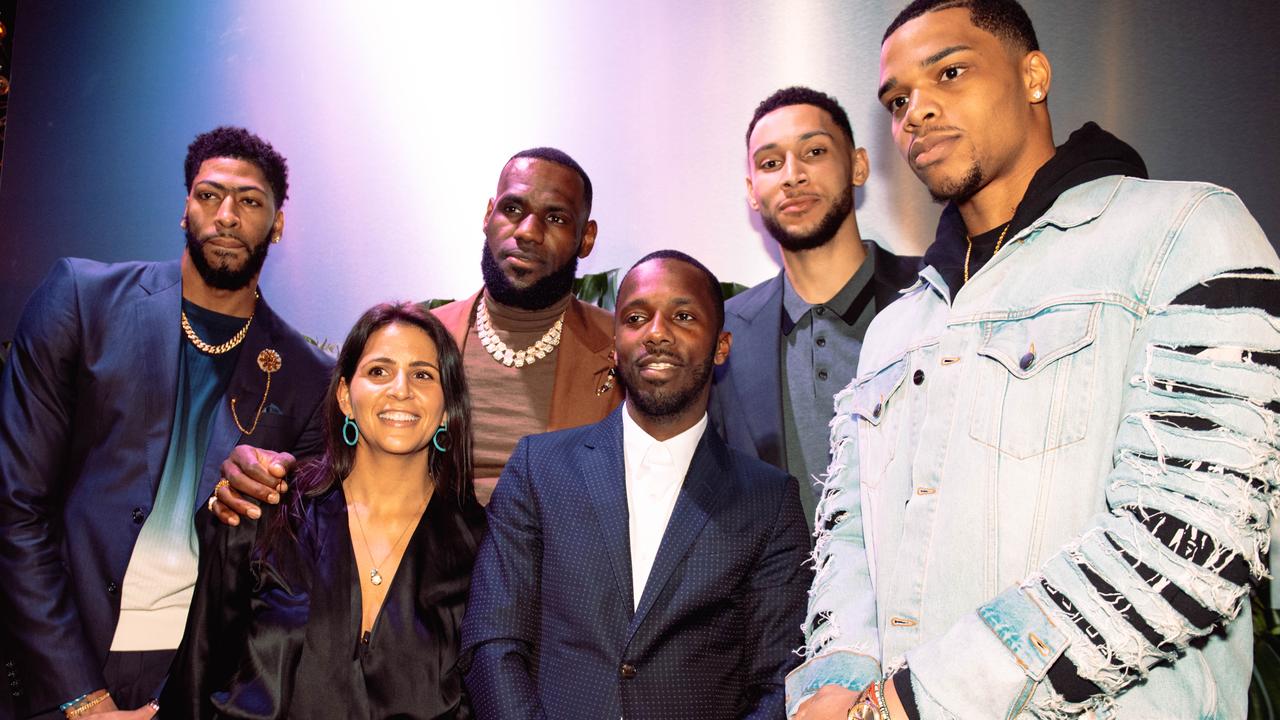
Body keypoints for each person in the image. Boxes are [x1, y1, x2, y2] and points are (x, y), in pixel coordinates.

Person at [788, 1, 1280, 718]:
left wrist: (918, 701)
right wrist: (837, 678)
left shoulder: (1185, 230)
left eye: (949, 73)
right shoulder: (897, 328)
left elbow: (1190, 537)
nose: (915, 114)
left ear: (1034, 75)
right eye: (897, 102)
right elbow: (852, 540)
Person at [0, 127, 332, 718]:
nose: (226, 215)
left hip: (196, 674)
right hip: (58, 652)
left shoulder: (308, 378)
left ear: (278, 224)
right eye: (209, 195)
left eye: (251, 201)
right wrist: (80, 696)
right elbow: (17, 504)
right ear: (185, 209)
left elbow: (283, 567)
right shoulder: (83, 301)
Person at [461, 250, 812, 720]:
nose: (657, 332)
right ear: (615, 345)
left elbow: (781, 678)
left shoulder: (768, 501)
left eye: (683, 316)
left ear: (721, 345)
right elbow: (493, 636)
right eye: (636, 317)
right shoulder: (539, 469)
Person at [212, 147, 621, 515]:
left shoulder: (619, 351)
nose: (528, 231)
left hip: (555, 583)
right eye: (513, 209)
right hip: (419, 577)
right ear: (488, 215)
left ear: (586, 237)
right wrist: (263, 473)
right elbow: (345, 465)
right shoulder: (421, 339)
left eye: (555, 217)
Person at [161, 303, 484, 719]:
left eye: (423, 374)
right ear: (346, 397)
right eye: (379, 371)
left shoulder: (485, 551)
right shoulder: (265, 512)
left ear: (447, 407)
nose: (400, 388)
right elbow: (197, 678)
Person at [710, 87, 920, 527]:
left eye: (815, 151)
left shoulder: (936, 297)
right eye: (771, 163)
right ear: (752, 191)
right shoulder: (723, 332)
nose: (793, 175)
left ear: (858, 166)